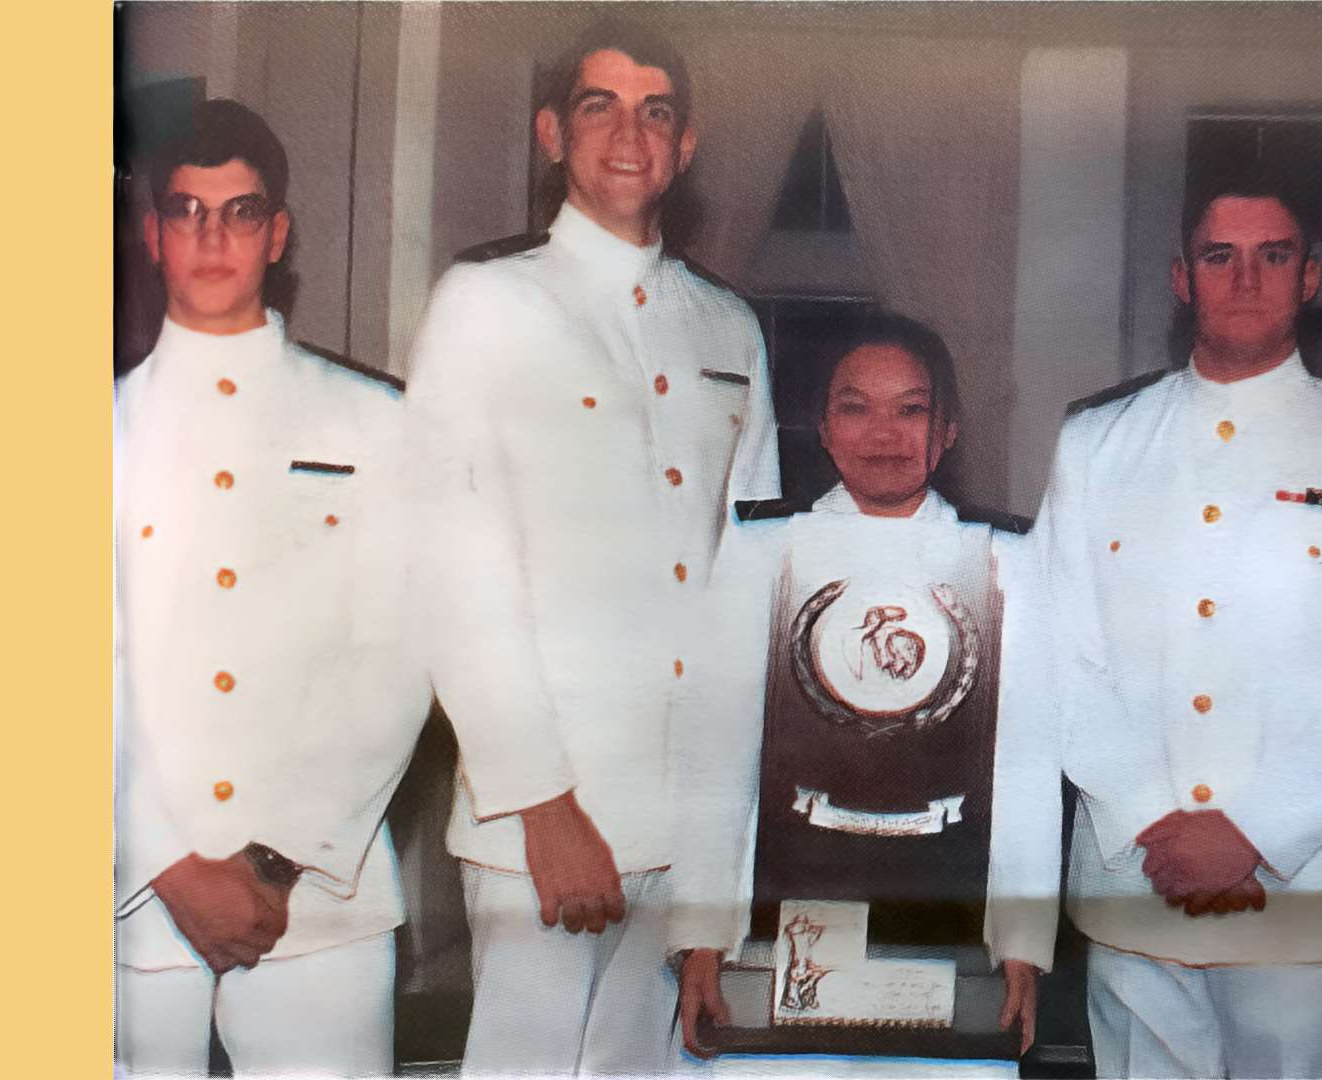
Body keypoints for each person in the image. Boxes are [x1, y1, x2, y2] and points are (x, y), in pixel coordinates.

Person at [403, 19, 780, 1076]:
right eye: (600, 106)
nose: (630, 133)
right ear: (550, 133)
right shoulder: (486, 303)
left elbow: (748, 589)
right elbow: (451, 570)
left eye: (656, 111)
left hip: (687, 820)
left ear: (687, 146)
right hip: (548, 820)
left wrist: (724, 845)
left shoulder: (726, 329)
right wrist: (543, 802)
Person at [1033, 186, 1322, 1078]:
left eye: (1273, 253)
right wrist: (1155, 816)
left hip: (1303, 884)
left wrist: (1251, 831)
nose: (1246, 276)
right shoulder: (1097, 442)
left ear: (1309, 278)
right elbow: (1055, 645)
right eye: (1220, 255)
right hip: (1135, 874)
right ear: (1183, 280)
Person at [113, 98, 431, 1076]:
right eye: (187, 211)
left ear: (278, 232)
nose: (213, 238)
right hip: (125, 898)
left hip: (319, 898)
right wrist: (166, 857)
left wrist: (274, 857)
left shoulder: (376, 427)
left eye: (240, 212)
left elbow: (398, 653)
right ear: (149, 232)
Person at [667, 316, 1060, 1077]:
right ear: (823, 426)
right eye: (857, 406)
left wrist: (1022, 945)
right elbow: (716, 752)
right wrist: (701, 935)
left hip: (951, 918)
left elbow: (1024, 764)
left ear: (946, 430)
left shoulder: (1004, 556)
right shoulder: (762, 550)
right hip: (777, 919)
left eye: (910, 409)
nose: (884, 433)